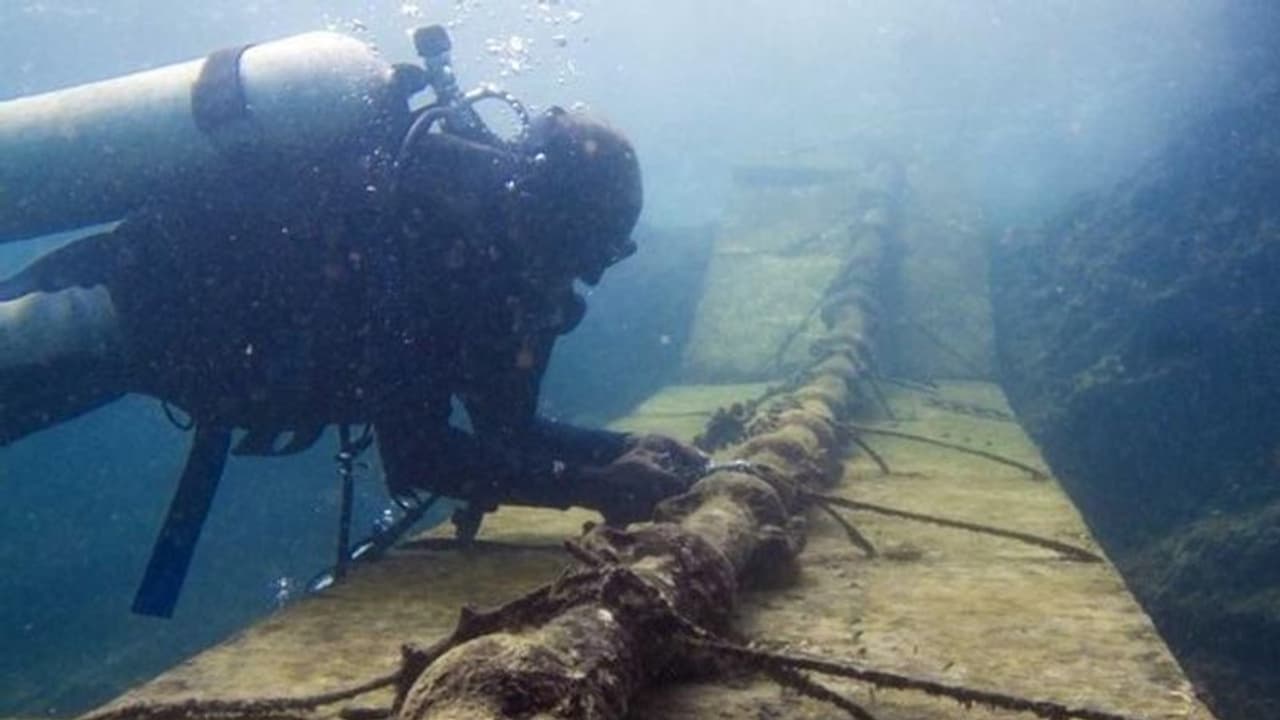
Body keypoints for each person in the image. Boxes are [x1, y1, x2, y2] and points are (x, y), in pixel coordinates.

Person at [0, 104, 707, 594]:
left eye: (596, 260)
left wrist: (622, 451)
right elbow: (418, 456)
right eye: (575, 250)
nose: (575, 278)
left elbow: (508, 432)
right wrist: (591, 485)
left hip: (172, 356)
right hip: (120, 303)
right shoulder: (427, 242)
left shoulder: (505, 275)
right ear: (538, 214)